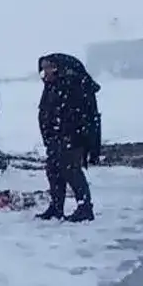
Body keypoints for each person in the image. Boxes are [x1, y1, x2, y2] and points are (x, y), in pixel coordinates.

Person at [35, 53, 102, 222]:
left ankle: (85, 207)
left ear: (56, 67)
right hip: (55, 137)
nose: (45, 72)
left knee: (72, 171)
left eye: (47, 68)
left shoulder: (71, 84)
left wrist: (72, 134)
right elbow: (47, 110)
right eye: (43, 69)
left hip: (71, 138)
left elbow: (79, 114)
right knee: (54, 171)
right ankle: (56, 207)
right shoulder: (52, 85)